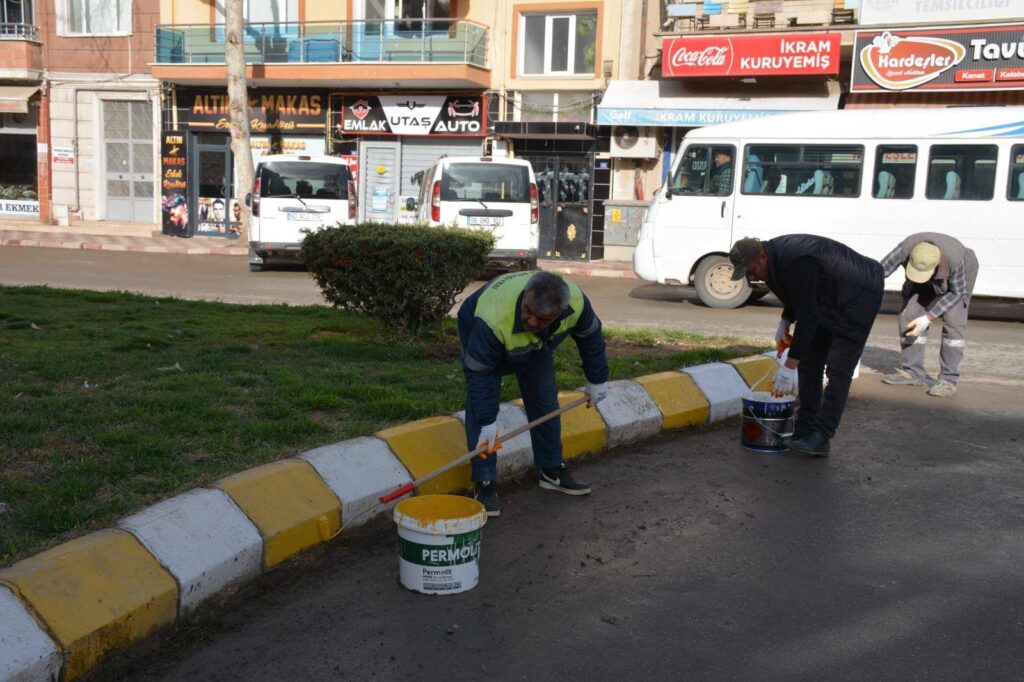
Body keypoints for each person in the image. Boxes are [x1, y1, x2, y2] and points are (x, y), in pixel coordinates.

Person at [458, 270, 609, 516]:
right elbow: (479, 373)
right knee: (481, 406)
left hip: (538, 344)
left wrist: (598, 379)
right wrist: (487, 420)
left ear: (561, 312)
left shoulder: (577, 303)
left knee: (545, 401)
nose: (531, 321)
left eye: (542, 318)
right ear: (526, 294)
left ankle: (551, 468)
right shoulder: (492, 318)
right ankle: (484, 482)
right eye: (528, 311)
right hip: (483, 331)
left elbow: (590, 336)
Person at [729, 235, 884, 456]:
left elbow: (808, 317)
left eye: (752, 270)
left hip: (859, 295)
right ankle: (805, 428)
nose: (751, 278)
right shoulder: (773, 261)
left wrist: (788, 367)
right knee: (810, 361)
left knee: (838, 370)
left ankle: (821, 437)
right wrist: (785, 320)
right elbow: (799, 294)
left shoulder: (796, 261)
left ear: (762, 256)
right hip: (829, 295)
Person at [879, 233, 978, 398]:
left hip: (960, 276)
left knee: (954, 324)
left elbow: (957, 293)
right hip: (928, 268)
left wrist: (928, 318)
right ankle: (912, 372)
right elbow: (879, 271)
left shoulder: (955, 260)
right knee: (909, 314)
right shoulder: (905, 249)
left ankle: (948, 380)